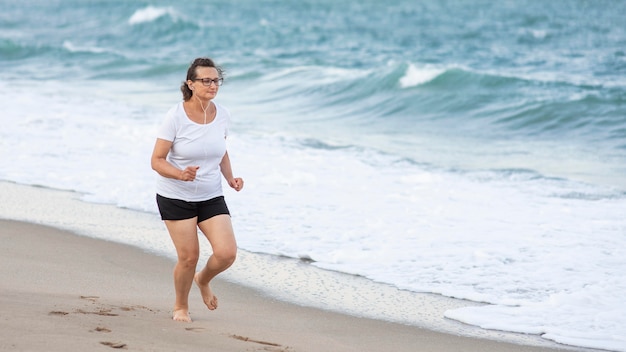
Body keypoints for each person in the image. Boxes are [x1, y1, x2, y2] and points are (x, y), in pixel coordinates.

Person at [151, 57, 244, 322]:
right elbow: (156, 160)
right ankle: (180, 306)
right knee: (189, 257)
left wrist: (230, 178)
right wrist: (180, 174)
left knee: (227, 253)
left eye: (216, 80)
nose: (212, 85)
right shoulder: (175, 116)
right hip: (175, 195)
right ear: (190, 84)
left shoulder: (222, 114)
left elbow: (220, 150)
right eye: (206, 80)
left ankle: (203, 280)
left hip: (210, 194)